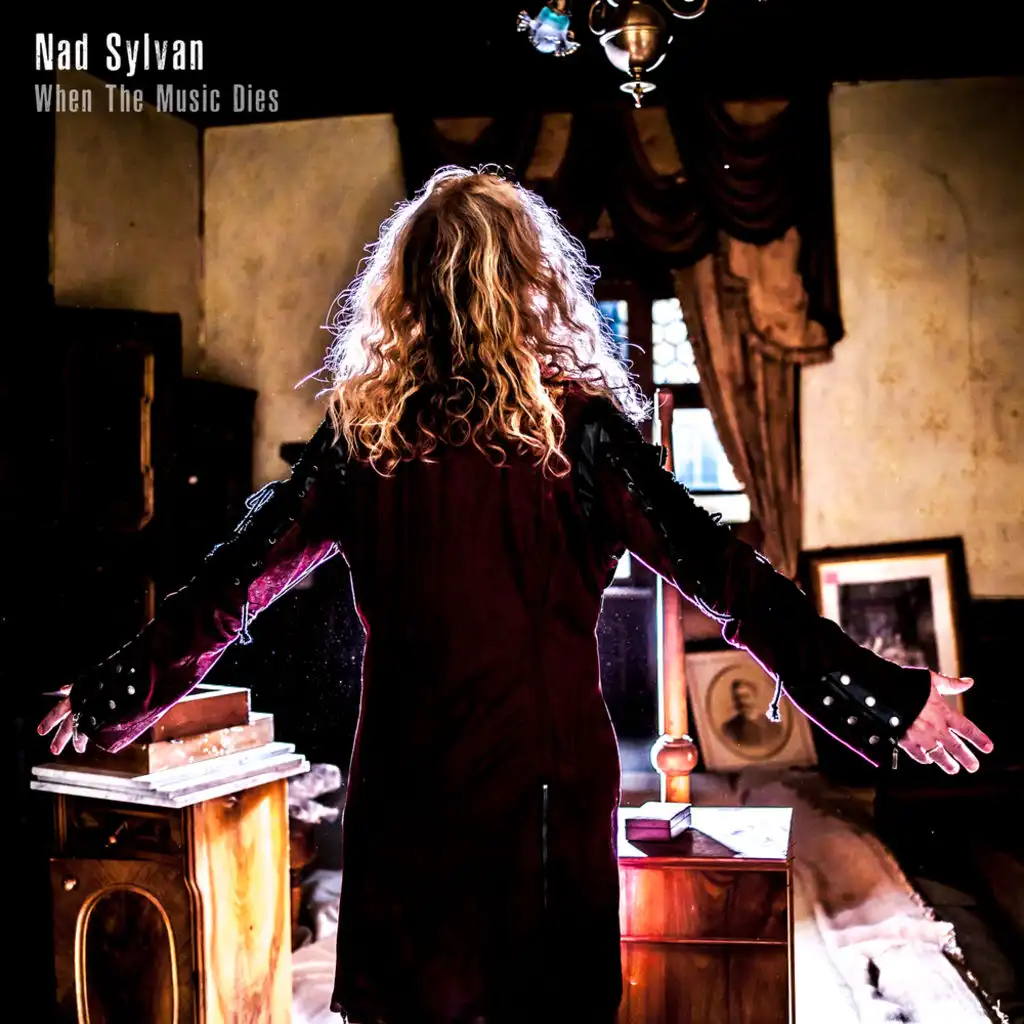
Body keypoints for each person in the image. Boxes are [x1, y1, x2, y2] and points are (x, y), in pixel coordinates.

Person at [38, 166, 994, 1024]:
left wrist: (109, 696)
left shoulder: (365, 441)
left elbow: (230, 586)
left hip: (408, 794)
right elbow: (734, 582)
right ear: (532, 285)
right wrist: (886, 698)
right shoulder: (578, 435)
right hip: (542, 798)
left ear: (407, 293)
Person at [721, 677, 782, 748]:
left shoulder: (774, 728)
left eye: (746, 696)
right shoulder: (729, 729)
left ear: (754, 697)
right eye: (738, 698)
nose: (742, 701)